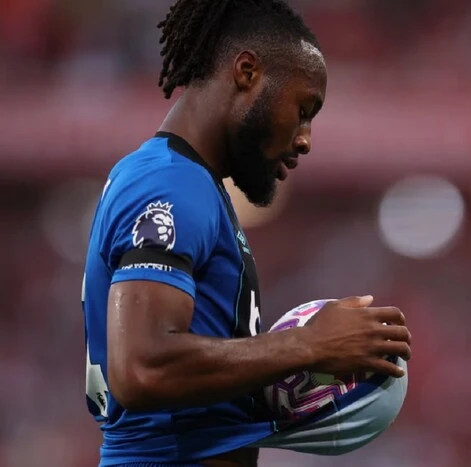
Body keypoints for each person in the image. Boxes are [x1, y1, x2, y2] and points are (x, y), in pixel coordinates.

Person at [80, 1, 412, 466]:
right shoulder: (169, 183)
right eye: (303, 109)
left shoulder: (193, 187)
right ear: (247, 72)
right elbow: (140, 369)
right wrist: (310, 344)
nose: (305, 139)